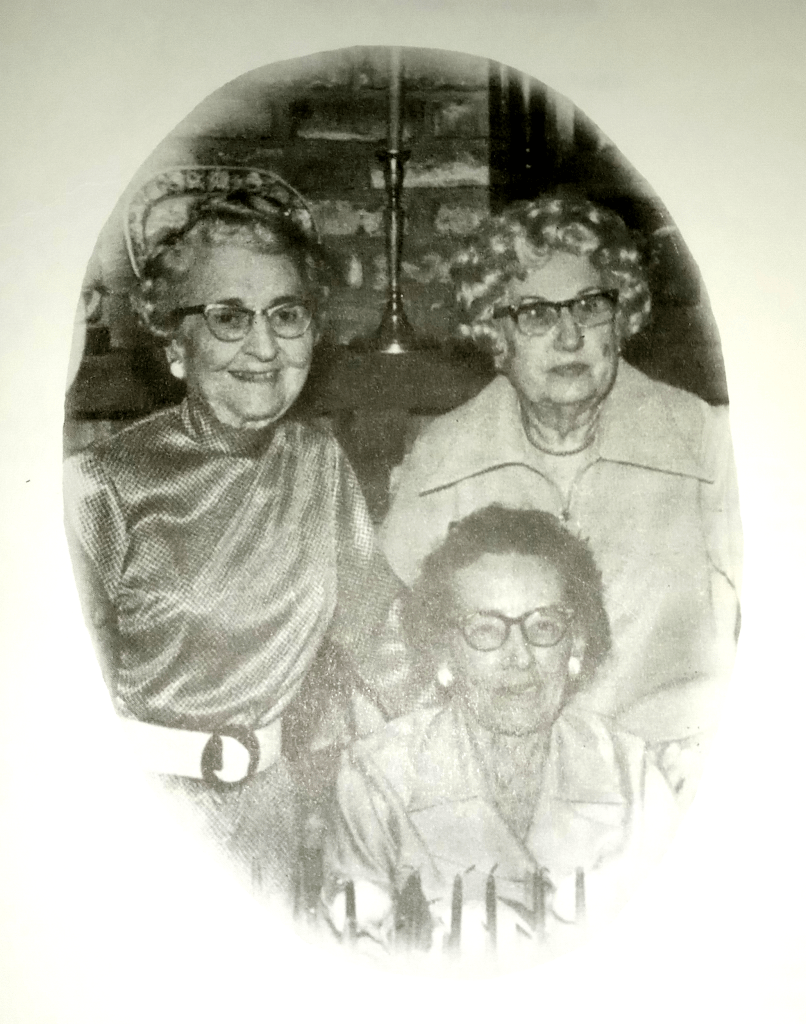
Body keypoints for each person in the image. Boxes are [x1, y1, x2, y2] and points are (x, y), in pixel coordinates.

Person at [63, 167, 416, 905]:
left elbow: (383, 638)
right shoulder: (101, 486)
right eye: (229, 317)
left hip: (271, 817)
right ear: (176, 343)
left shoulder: (318, 464)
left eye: (286, 315)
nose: (263, 348)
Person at [380, 195, 742, 798]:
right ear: (497, 335)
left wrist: (722, 744)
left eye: (590, 306)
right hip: (501, 789)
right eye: (536, 315)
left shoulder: (703, 441)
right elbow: (394, 646)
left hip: (676, 776)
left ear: (619, 319)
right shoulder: (444, 457)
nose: (570, 336)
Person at [322, 506, 678, 963]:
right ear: (443, 651)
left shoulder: (632, 775)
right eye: (486, 630)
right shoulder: (377, 779)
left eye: (544, 626)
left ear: (577, 643)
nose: (520, 657)